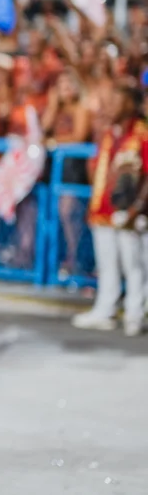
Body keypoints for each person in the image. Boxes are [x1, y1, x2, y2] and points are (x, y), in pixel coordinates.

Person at [72, 82, 148, 337]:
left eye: (118, 101)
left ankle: (135, 314)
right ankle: (105, 308)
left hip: (128, 214)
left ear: (131, 104)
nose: (111, 106)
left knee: (133, 264)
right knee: (107, 265)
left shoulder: (142, 134)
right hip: (103, 210)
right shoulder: (108, 134)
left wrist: (136, 209)